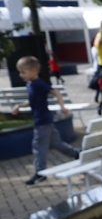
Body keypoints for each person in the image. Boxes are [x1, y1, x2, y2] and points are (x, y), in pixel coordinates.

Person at [11, 56, 80, 186]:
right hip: (43, 120)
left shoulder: (38, 83)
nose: (21, 75)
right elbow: (32, 101)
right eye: (20, 72)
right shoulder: (30, 84)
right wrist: (19, 106)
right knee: (55, 143)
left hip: (43, 121)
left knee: (38, 146)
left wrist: (62, 107)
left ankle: (40, 173)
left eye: (23, 72)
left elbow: (56, 92)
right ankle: (77, 153)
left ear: (33, 71)